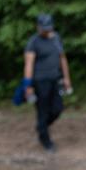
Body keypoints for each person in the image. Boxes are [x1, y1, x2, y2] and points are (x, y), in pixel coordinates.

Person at [24, 14, 72, 153]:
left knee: (57, 108)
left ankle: (41, 127)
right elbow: (29, 64)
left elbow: (62, 58)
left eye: (48, 28)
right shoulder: (33, 42)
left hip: (55, 79)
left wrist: (66, 78)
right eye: (44, 28)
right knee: (42, 111)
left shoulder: (56, 38)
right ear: (38, 27)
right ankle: (46, 141)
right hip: (40, 81)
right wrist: (28, 85)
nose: (46, 31)